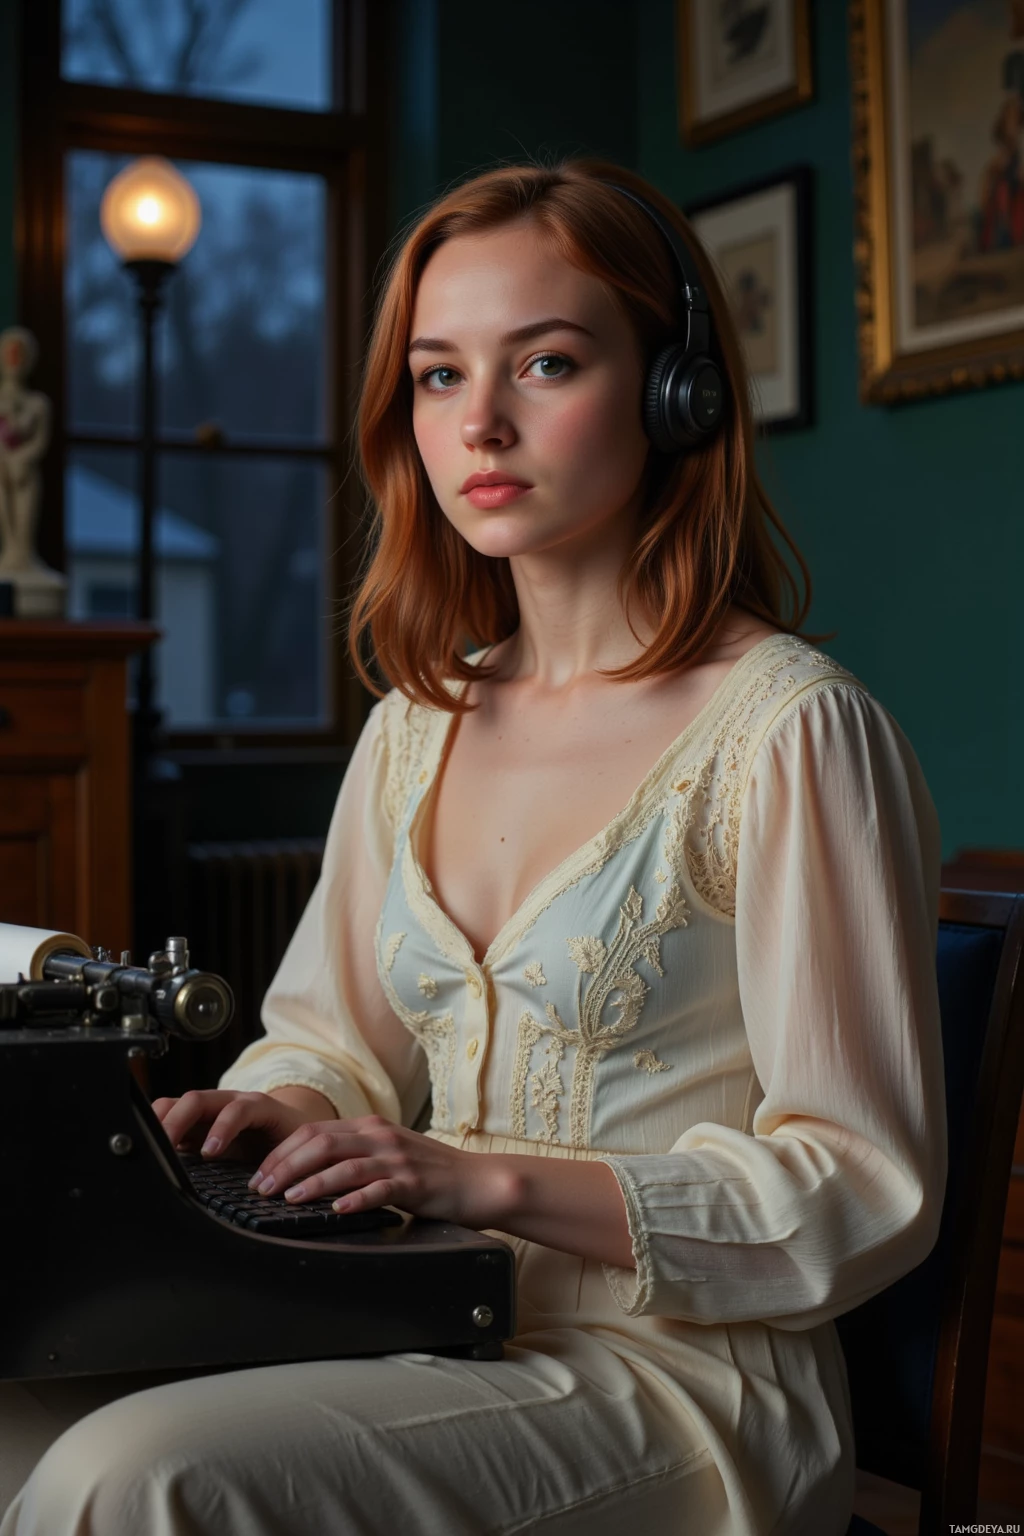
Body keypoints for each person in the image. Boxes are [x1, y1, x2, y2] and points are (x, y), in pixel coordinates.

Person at [0, 158, 947, 1536]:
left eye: (546, 363)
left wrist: (479, 1177)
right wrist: (288, 1113)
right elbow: (329, 1041)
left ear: (675, 393)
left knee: (126, 1479)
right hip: (410, 1309)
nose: (482, 424)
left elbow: (864, 1188)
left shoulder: (792, 734)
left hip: (679, 1378)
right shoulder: (415, 727)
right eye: (440, 377)